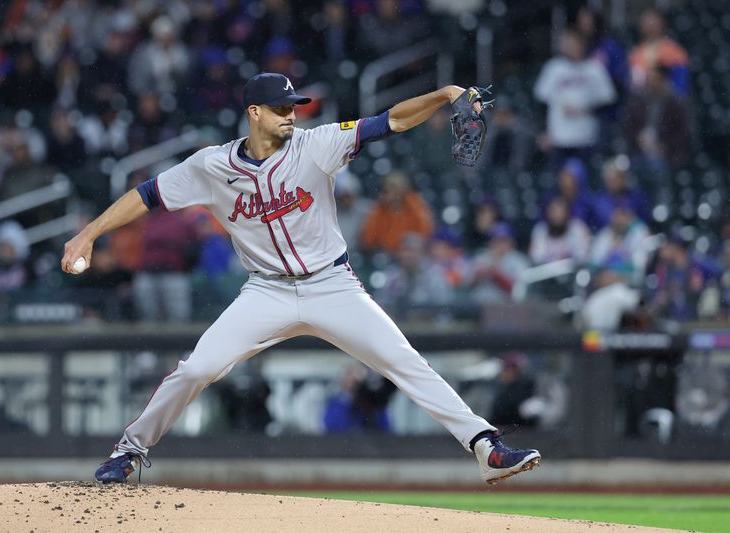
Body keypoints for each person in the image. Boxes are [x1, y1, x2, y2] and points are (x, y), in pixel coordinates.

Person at [61, 72, 540, 485]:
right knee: (196, 369)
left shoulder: (316, 144)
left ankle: (485, 447)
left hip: (331, 285)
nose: (290, 115)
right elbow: (147, 195)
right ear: (253, 112)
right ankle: (129, 450)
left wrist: (444, 94)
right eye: (279, 108)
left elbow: (391, 120)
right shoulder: (212, 165)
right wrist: (88, 234)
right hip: (265, 290)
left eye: (293, 106)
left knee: (403, 359)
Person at [533, 28, 616, 169]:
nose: (569, 47)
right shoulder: (554, 68)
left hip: (587, 137)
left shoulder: (595, 68)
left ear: (582, 44)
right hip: (558, 137)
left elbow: (608, 103)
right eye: (566, 43)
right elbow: (541, 103)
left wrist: (584, 109)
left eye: (572, 43)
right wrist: (542, 131)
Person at [529, 196, 590, 266]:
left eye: (560, 211)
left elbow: (582, 257)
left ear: (567, 213)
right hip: (548, 273)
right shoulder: (540, 230)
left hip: (573, 271)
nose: (557, 216)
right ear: (548, 213)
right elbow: (535, 259)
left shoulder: (577, 227)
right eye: (554, 212)